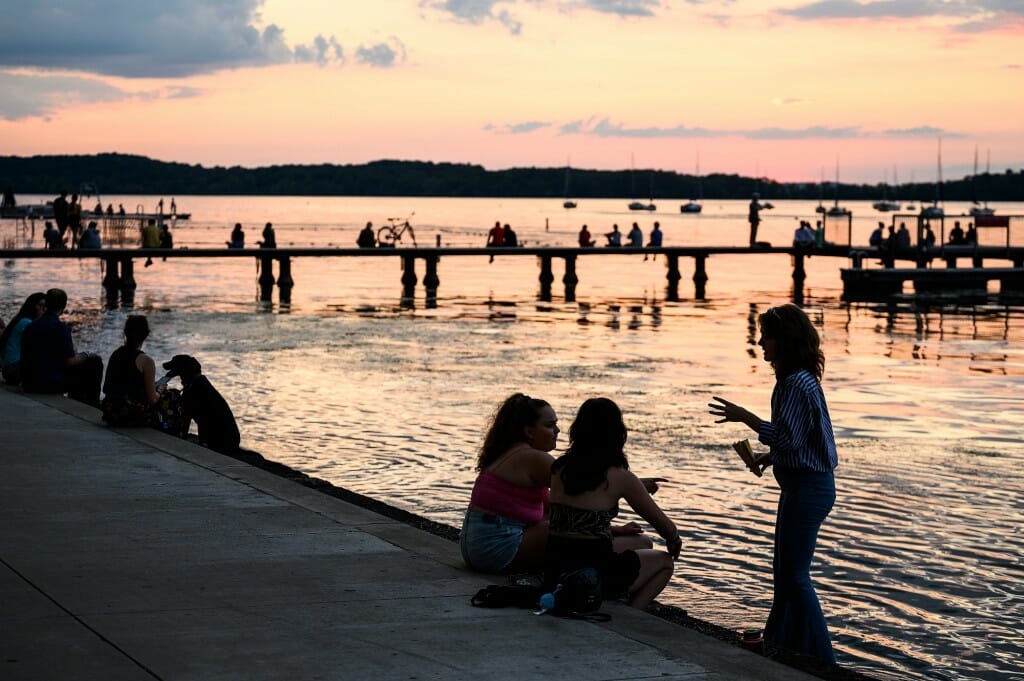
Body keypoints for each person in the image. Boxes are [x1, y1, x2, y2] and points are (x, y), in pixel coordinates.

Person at [708, 303, 838, 665]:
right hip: (802, 483)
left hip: (808, 488)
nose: (761, 342)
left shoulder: (795, 383)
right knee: (784, 571)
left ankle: (823, 658)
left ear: (785, 340)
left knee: (795, 575)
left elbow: (790, 438)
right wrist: (772, 457)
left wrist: (745, 417)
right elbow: (802, 441)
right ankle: (784, 642)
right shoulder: (796, 380)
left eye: (767, 335)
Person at [461, 394, 655, 575]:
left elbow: (566, 512)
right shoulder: (534, 459)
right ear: (529, 432)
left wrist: (615, 528)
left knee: (552, 518)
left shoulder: (508, 453)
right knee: (638, 544)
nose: (558, 431)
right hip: (494, 552)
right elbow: (589, 491)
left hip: (477, 549)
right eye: (549, 425)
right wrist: (633, 487)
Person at [545, 397, 681, 609]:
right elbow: (666, 528)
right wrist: (674, 539)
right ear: (617, 434)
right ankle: (632, 613)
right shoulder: (620, 477)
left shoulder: (559, 468)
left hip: (555, 568)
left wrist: (637, 486)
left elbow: (585, 499)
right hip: (595, 572)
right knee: (664, 562)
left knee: (641, 541)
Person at [100, 315, 184, 432]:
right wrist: (159, 390)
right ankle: (171, 430)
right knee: (173, 395)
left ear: (125, 332)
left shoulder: (116, 354)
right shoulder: (146, 361)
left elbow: (108, 388)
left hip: (110, 412)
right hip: (131, 415)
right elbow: (152, 400)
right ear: (146, 335)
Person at [21, 288, 104, 405]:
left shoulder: (31, 326)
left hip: (30, 382)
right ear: (64, 306)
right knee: (94, 362)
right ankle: (89, 401)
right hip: (51, 384)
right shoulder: (61, 328)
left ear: (46, 304)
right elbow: (70, 362)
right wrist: (86, 354)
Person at [162, 354, 241, 454]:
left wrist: (183, 439)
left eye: (173, 364)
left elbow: (188, 417)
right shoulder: (200, 385)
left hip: (221, 442)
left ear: (183, 369)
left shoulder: (195, 390)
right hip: (229, 440)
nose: (169, 366)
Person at [1, 292, 46, 385]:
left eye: (45, 306)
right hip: (13, 369)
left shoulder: (21, 319)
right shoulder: (27, 323)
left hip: (10, 368)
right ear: (32, 306)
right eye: (40, 305)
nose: (43, 309)